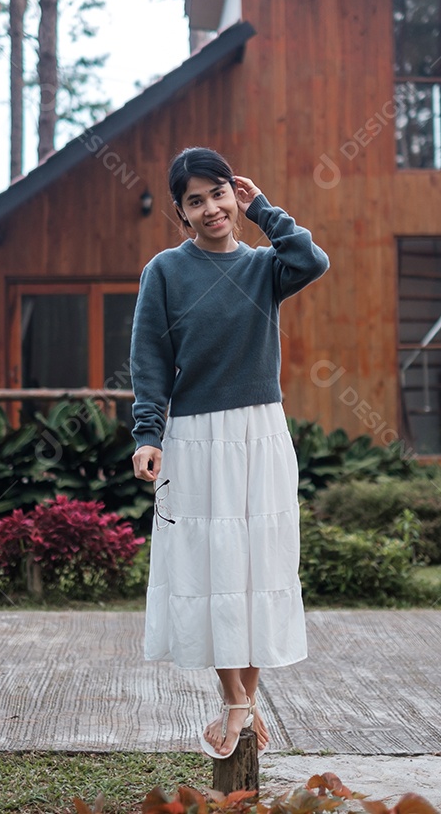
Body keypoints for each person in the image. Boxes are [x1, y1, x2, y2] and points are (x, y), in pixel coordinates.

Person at [130, 146, 329, 759]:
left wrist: (263, 208)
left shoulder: (265, 268)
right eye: (196, 200)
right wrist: (147, 435)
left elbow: (311, 259)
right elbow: (150, 361)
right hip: (194, 438)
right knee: (211, 568)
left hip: (261, 433)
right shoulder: (164, 271)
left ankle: (240, 707)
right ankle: (237, 702)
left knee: (256, 567)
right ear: (182, 212)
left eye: (219, 192)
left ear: (233, 196)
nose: (211, 207)